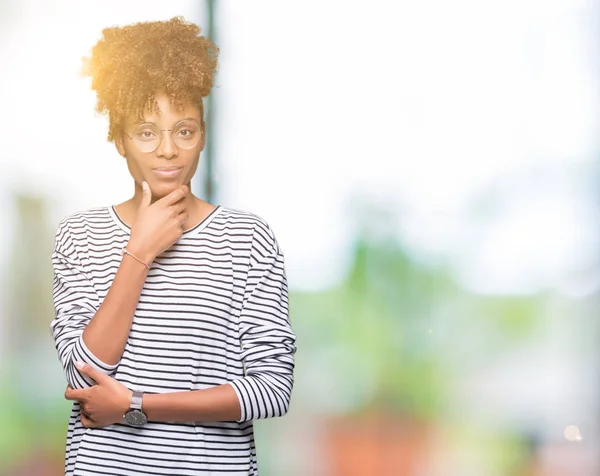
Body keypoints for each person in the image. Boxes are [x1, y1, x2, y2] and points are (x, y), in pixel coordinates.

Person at [50, 17, 296, 476]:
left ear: (201, 134)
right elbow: (82, 374)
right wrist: (139, 252)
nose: (168, 150)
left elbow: (272, 389)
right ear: (120, 140)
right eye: (146, 132)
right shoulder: (78, 235)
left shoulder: (247, 239)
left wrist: (136, 405)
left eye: (184, 130)